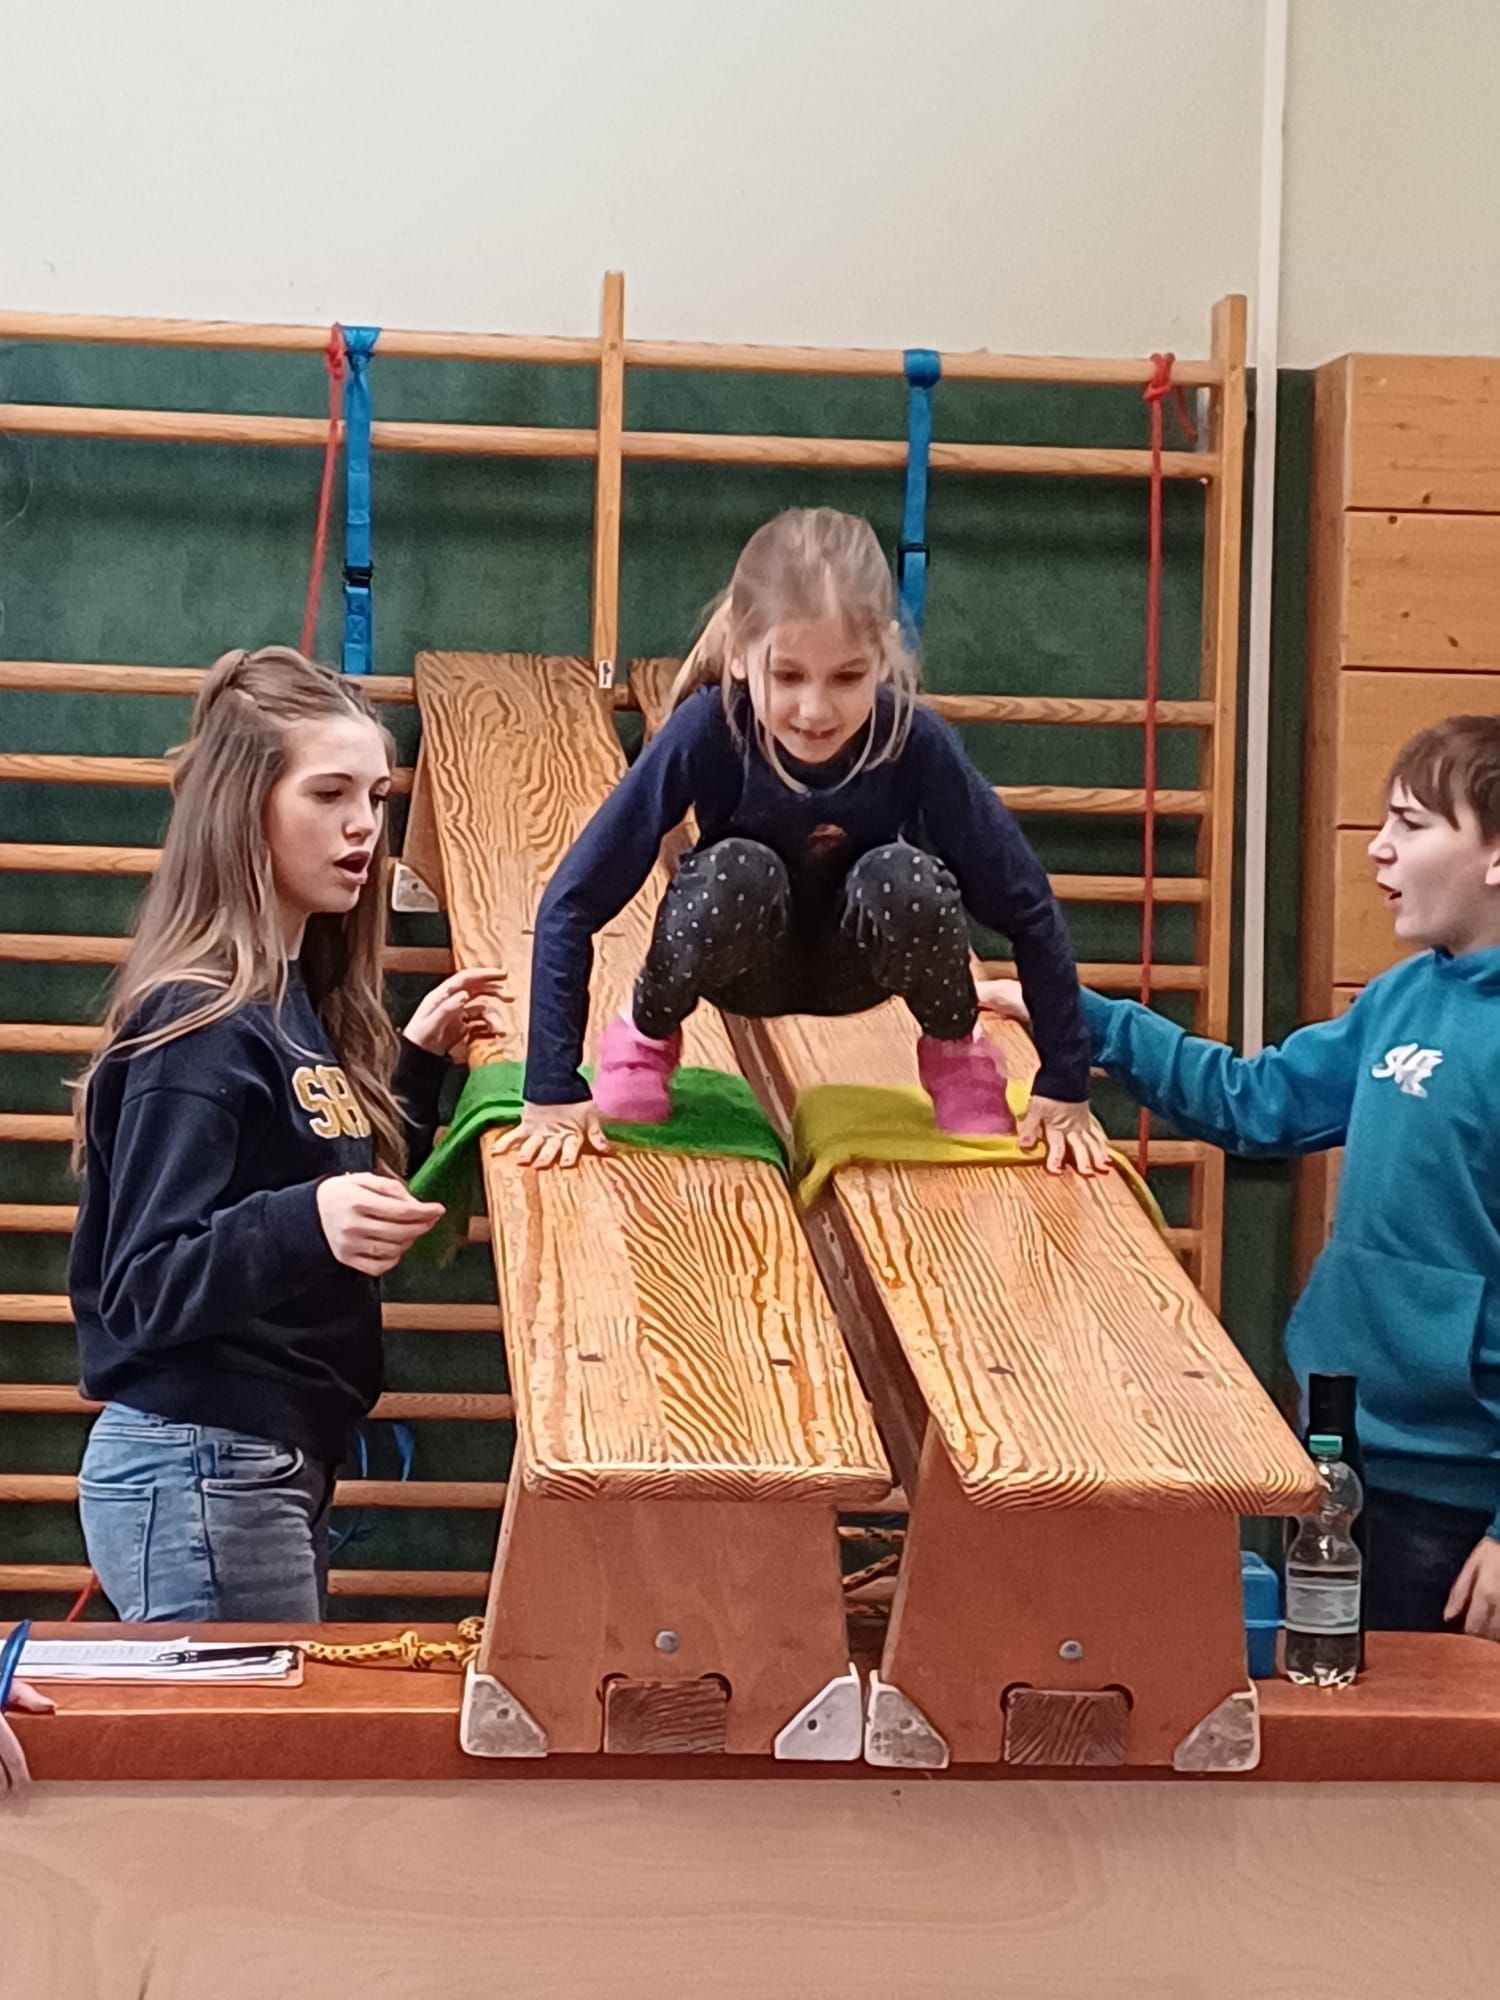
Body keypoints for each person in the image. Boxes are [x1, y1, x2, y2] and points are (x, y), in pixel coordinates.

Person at [979, 713, 1500, 1641]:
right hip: (1341, 1454)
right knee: (1324, 1700)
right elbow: (1257, 1104)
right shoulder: (1401, 997)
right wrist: (1078, 1016)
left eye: (1413, 825)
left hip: (1459, 1502)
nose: (1378, 847)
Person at [68, 647, 505, 1624]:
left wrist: (415, 1066)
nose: (363, 825)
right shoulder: (201, 1024)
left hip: (250, 1460)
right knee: (245, 1733)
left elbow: (318, 1185)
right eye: (328, 793)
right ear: (244, 808)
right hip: (205, 1459)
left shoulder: (288, 1009)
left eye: (377, 797)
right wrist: (306, 1219)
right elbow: (142, 1286)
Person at [504, 507, 1105, 1175]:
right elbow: (573, 900)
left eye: (846, 677)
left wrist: (1064, 1080)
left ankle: (956, 1053)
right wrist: (551, 1086)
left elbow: (1026, 905)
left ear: (882, 655)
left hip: (859, 968)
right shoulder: (708, 731)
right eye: (788, 676)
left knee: (903, 877)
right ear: (739, 653)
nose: (815, 710)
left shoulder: (914, 742)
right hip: (742, 966)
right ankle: (645, 1038)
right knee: (737, 869)